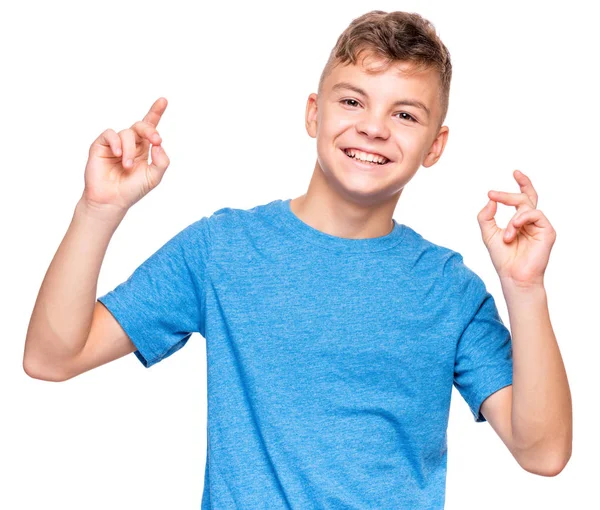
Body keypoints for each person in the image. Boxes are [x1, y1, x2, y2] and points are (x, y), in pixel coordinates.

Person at [23, 10, 572, 509]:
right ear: (314, 113)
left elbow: (543, 454)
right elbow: (53, 357)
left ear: (435, 145)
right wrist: (98, 210)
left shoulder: (449, 289)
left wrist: (525, 289)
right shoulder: (224, 249)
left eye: (405, 114)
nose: (374, 127)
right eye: (352, 100)